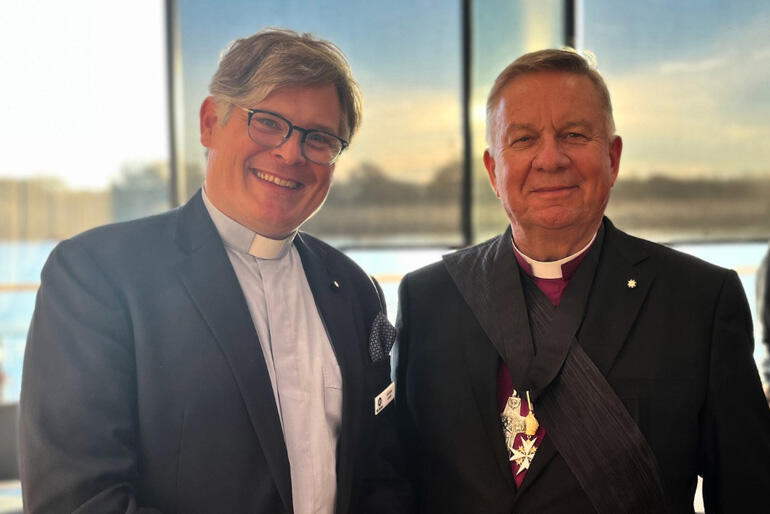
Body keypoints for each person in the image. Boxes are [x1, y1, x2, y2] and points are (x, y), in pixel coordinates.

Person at [20, 28, 407, 513]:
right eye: (267, 122)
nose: (291, 153)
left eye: (319, 138)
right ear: (209, 123)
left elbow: (381, 472)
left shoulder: (354, 290)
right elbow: (79, 499)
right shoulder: (98, 275)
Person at [393, 49, 770, 513]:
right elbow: (398, 482)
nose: (550, 159)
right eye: (524, 139)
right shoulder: (428, 299)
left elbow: (749, 496)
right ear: (494, 171)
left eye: (573, 134)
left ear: (612, 157)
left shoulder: (699, 303)